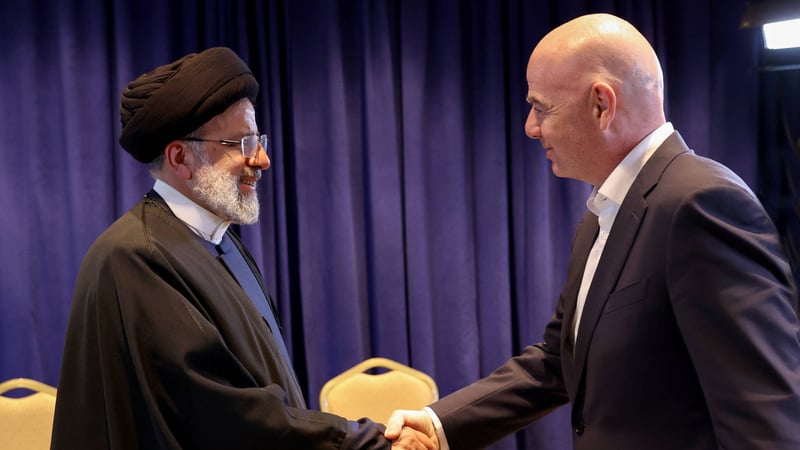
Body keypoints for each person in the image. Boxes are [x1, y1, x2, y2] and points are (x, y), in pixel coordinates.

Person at [384, 13, 800, 450]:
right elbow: (558, 362)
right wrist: (439, 423)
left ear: (601, 104)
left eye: (541, 107)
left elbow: (766, 420)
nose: (530, 127)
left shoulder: (699, 203)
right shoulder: (600, 218)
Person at [50, 47, 423, 450]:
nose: (262, 160)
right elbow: (223, 415)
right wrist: (361, 441)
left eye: (258, 140)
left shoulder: (221, 243)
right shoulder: (137, 257)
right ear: (180, 156)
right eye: (243, 143)